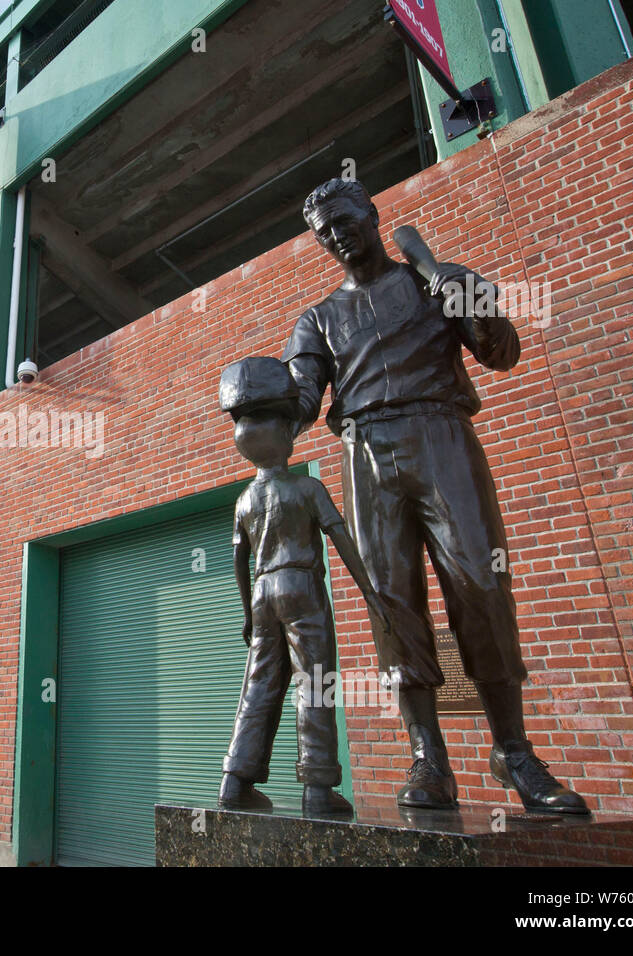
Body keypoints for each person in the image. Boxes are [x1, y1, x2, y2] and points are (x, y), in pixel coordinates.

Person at [281, 177, 586, 813]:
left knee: (478, 579)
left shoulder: (431, 280)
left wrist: (467, 295)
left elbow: (501, 351)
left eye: (345, 220)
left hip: (441, 434)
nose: (337, 236)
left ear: (371, 215)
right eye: (324, 231)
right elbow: (304, 399)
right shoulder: (318, 319)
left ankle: (514, 751)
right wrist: (276, 407)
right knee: (391, 600)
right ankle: (430, 758)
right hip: (365, 452)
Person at [216, 355, 391, 815]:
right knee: (314, 681)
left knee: (257, 684)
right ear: (286, 440)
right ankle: (317, 787)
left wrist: (246, 615)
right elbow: (342, 539)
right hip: (300, 587)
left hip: (261, 592)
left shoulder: (243, 499)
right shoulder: (306, 488)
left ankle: (235, 780)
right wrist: (370, 594)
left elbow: (239, 559)